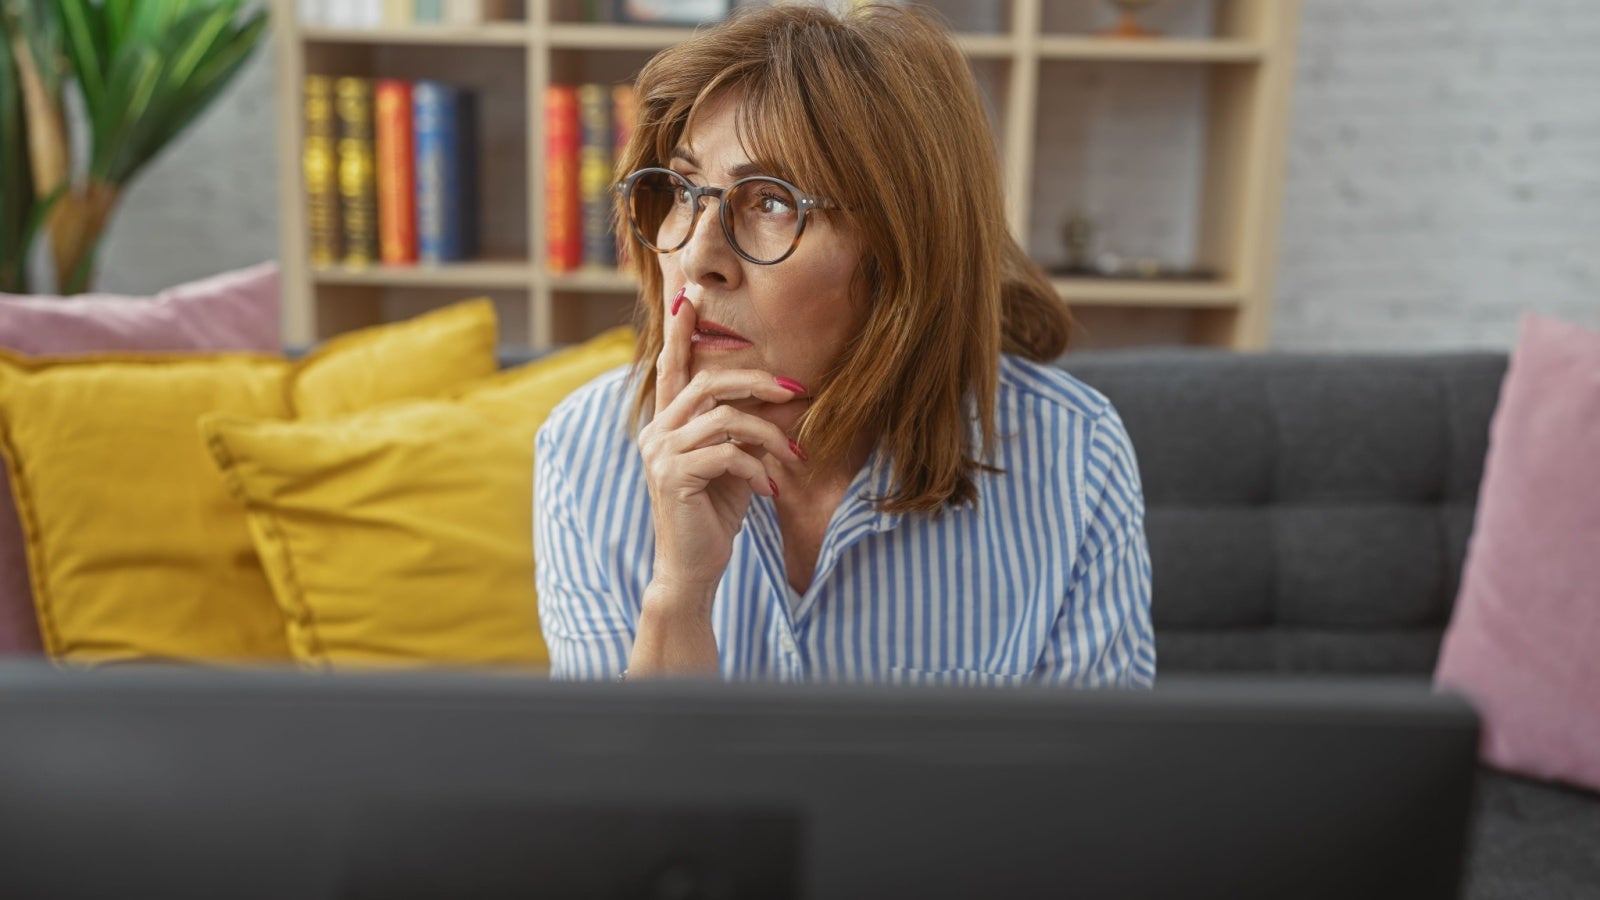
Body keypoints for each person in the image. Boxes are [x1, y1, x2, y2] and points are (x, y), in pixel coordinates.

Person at [535, 2, 1155, 686]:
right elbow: (625, 793)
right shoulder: (584, 452)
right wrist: (679, 598)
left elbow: (1087, 788)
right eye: (683, 191)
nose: (696, 255)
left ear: (901, 252)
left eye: (770, 201)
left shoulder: (1075, 457)